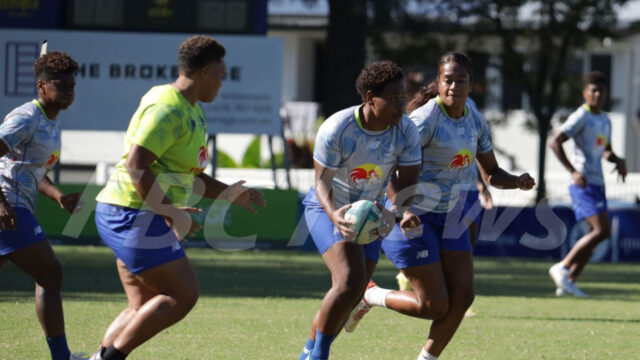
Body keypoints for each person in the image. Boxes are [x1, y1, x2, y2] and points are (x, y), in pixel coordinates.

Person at [345, 52, 535, 360]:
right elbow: (386, 167)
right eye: (448, 80)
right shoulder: (423, 121)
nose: (453, 87)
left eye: (461, 81)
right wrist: (403, 209)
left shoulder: (474, 120)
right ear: (438, 81)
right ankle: (371, 295)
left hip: (452, 217)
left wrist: (517, 181)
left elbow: (491, 173)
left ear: (471, 86)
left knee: (463, 296)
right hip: (414, 217)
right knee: (434, 306)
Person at [90, 35, 265, 360]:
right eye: (220, 75)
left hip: (135, 213)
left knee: (142, 305)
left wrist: (230, 193)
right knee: (182, 294)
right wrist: (169, 211)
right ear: (204, 73)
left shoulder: (192, 111)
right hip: (129, 212)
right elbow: (136, 165)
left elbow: (191, 175)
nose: (221, 84)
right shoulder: (168, 108)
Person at [298, 60, 423, 360]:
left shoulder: (406, 132)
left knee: (352, 294)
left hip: (372, 213)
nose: (400, 106)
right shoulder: (338, 128)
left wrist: (397, 214)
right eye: (392, 100)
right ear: (370, 98)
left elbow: (405, 185)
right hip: (326, 206)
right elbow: (321, 182)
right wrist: (334, 216)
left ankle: (306, 353)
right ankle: (319, 356)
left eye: (402, 99)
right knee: (350, 282)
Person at [0, 51, 84, 360]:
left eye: (71, 85)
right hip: (9, 206)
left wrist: (58, 196)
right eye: (61, 85)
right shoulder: (26, 117)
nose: (68, 91)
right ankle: (61, 358)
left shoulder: (51, 121)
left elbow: (33, 171)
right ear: (41, 86)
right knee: (50, 273)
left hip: (16, 206)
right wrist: (1, 204)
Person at [548, 71, 626, 297]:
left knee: (597, 233)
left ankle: (569, 282)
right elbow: (555, 142)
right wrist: (573, 172)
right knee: (602, 230)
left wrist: (617, 159)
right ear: (585, 93)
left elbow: (605, 150)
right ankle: (562, 267)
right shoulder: (580, 116)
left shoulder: (605, 119)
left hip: (598, 183)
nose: (597, 94)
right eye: (593, 90)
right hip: (583, 184)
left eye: (601, 91)